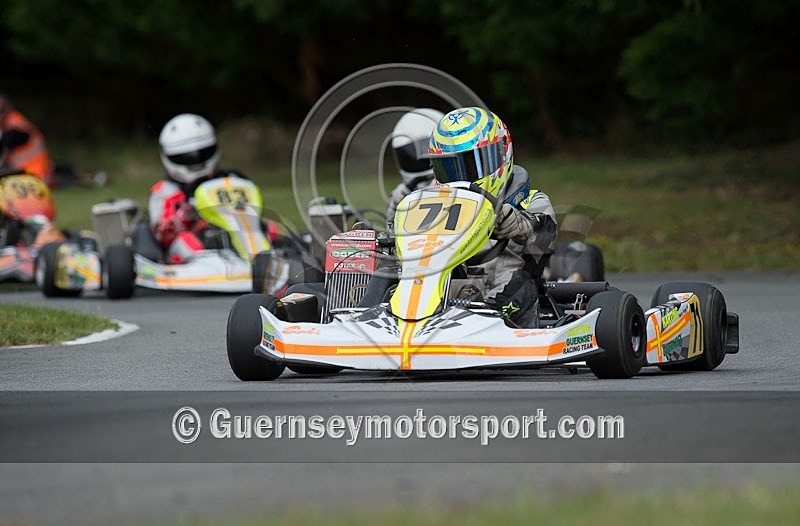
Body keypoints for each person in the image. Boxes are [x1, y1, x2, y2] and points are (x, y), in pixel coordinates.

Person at [427, 106, 558, 326]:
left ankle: (484, 319)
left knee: (522, 284)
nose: (461, 178)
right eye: (450, 169)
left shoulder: (530, 201)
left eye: (470, 166)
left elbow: (545, 231)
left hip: (508, 298)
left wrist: (515, 221)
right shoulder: (437, 207)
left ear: (501, 154)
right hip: (448, 294)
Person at [149, 113, 276, 263]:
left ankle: (266, 257)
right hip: (198, 240)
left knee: (272, 230)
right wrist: (185, 214)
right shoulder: (165, 191)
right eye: (187, 157)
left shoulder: (230, 179)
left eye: (202, 154)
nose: (196, 162)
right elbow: (162, 235)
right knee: (187, 242)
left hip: (237, 230)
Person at [386, 108, 444, 226]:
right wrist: (395, 206)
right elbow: (389, 228)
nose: (419, 158)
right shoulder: (403, 194)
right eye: (409, 153)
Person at [0, 94, 54, 186]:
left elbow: (2, 154)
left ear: (7, 110)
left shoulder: (15, 129)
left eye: (1, 111)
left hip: (33, 178)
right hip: (27, 176)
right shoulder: (11, 126)